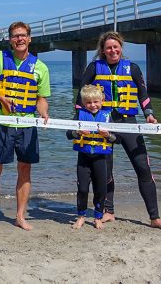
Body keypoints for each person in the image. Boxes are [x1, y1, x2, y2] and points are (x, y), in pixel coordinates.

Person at [74, 31, 161, 231]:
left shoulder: (133, 68)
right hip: (104, 123)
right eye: (108, 47)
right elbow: (80, 97)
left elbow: (143, 95)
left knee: (143, 168)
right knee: (105, 170)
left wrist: (149, 115)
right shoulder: (94, 68)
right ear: (103, 50)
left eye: (116, 46)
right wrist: (78, 122)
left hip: (128, 123)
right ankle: (108, 211)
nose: (113, 50)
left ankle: (155, 217)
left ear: (121, 48)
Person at [0, 21, 50, 232]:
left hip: (27, 124)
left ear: (29, 38)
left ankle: (20, 216)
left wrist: (43, 111)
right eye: (15, 36)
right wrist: (2, 98)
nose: (19, 39)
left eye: (23, 35)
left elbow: (41, 98)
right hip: (1, 122)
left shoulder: (40, 67)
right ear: (10, 40)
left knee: (25, 168)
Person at [66, 85, 117, 230]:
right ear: (83, 103)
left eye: (96, 102)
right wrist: (78, 132)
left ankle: (98, 217)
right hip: (84, 158)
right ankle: (81, 217)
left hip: (101, 159)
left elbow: (117, 139)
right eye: (88, 102)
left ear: (102, 101)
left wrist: (108, 135)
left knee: (100, 189)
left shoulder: (108, 116)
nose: (92, 105)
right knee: (82, 188)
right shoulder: (79, 115)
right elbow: (68, 135)